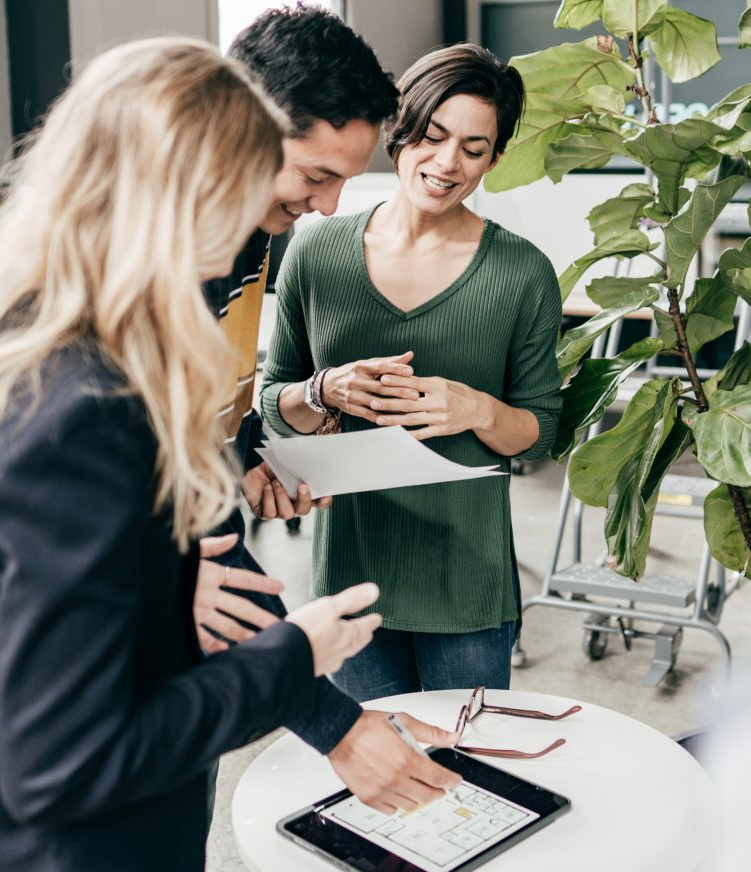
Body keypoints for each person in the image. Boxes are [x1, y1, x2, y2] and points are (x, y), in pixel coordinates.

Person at [0, 39, 383, 871]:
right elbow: (69, 764)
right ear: (184, 198)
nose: (239, 240)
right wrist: (293, 656)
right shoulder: (92, 411)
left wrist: (143, 582)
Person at [191, 5, 465, 815]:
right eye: (315, 176)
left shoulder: (250, 238)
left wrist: (248, 463)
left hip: (198, 594)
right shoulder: (147, 279)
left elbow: (216, 409)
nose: (330, 207)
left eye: (343, 178)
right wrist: (335, 724)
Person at [257, 43, 563, 701]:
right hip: (350, 578)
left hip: (468, 589)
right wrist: (323, 388)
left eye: (474, 149)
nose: (448, 162)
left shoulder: (521, 273)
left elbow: (540, 432)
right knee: (364, 787)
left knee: (468, 779)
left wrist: (476, 410)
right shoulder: (315, 250)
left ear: (495, 159)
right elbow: (270, 399)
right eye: (432, 135)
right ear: (399, 130)